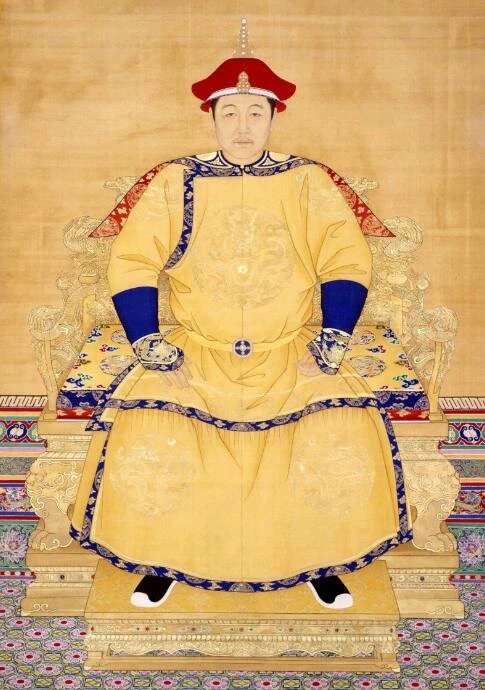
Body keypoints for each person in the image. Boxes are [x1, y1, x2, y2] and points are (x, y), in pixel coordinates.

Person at [69, 19, 412, 610]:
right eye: (230, 113)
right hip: (198, 347)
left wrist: (333, 337)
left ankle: (318, 562)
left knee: (328, 428)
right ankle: (165, 560)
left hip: (289, 348)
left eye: (256, 113)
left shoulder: (307, 180)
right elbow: (133, 260)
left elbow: (344, 256)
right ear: (212, 116)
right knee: (159, 428)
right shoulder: (177, 180)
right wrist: (148, 340)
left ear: (274, 116)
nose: (243, 126)